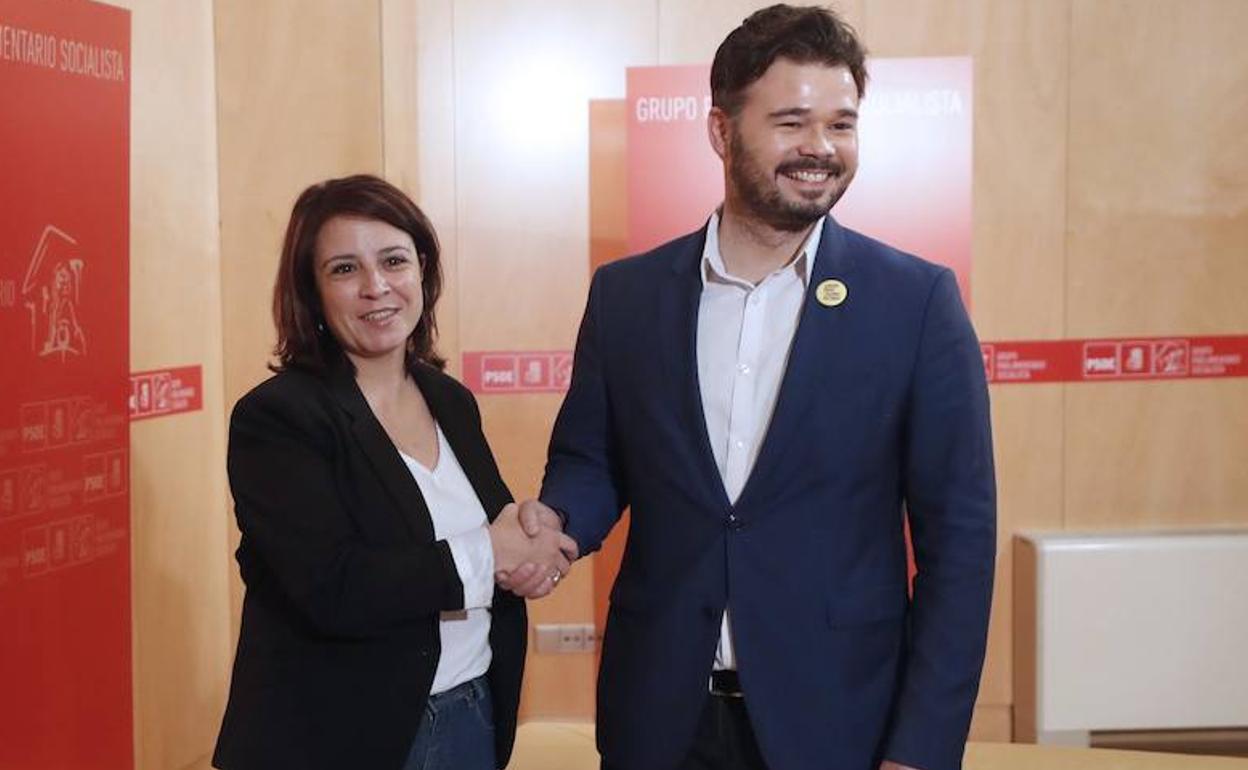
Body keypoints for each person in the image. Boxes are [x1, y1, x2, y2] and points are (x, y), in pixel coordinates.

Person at [506, 5, 996, 770]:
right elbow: (593, 459)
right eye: (792, 122)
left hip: (841, 723)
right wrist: (558, 526)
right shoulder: (627, 296)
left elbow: (959, 548)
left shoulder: (917, 304)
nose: (821, 149)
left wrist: (923, 748)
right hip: (661, 717)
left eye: (842, 124)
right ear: (719, 130)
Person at [212, 175, 577, 770]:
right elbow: (333, 587)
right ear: (312, 292)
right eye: (344, 269)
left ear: (422, 271)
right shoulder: (278, 418)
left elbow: (483, 548)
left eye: (393, 260)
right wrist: (491, 552)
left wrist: (528, 550)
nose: (376, 286)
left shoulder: (450, 401)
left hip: (471, 714)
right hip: (339, 738)